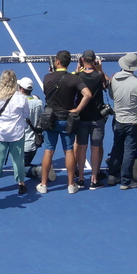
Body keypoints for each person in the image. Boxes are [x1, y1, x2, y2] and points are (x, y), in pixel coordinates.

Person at [38, 50, 92, 194]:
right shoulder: (74, 79)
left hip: (50, 120)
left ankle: (43, 184)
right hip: (67, 119)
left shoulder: (47, 77)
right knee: (69, 150)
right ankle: (70, 184)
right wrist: (77, 110)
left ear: (57, 62)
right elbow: (87, 94)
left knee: (49, 150)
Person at [0, 70, 30, 195]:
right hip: (16, 134)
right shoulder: (21, 99)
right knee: (18, 160)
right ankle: (21, 184)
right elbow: (26, 115)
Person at [107, 53, 137, 189]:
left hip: (118, 119)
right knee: (129, 150)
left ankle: (112, 175)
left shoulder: (114, 79)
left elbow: (111, 95)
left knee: (117, 146)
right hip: (133, 121)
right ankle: (126, 181)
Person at [74, 50, 109, 189]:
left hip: (82, 117)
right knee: (95, 149)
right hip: (97, 118)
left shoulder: (78, 76)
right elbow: (106, 85)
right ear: (94, 60)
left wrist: (77, 70)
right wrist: (100, 68)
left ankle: (81, 178)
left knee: (81, 148)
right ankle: (94, 179)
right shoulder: (98, 75)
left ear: (82, 60)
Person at [21, 78, 51, 180]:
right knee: (26, 163)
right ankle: (34, 168)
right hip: (34, 143)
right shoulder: (39, 102)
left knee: (20, 169)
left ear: (21, 89)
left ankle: (38, 170)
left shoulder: (19, 103)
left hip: (22, 144)